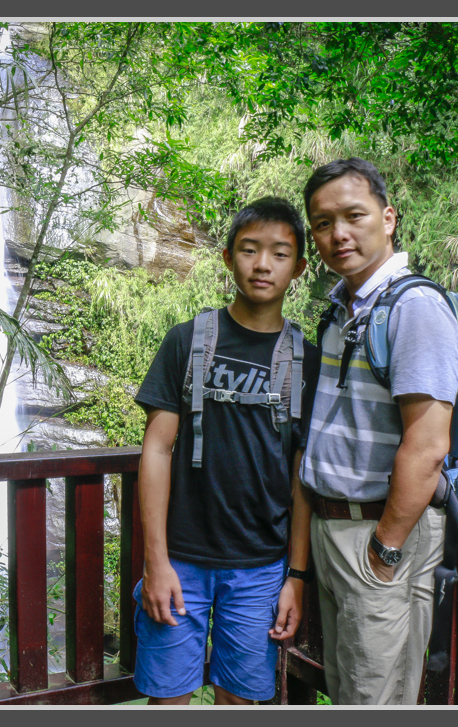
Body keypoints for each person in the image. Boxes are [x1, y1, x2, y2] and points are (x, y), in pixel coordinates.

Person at [132, 196, 320, 705]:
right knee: (168, 697)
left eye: (279, 254)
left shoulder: (309, 361)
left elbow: (303, 477)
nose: (262, 265)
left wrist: (295, 578)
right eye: (249, 250)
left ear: (299, 267)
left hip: (260, 566)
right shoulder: (187, 341)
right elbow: (156, 450)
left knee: (240, 699)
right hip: (180, 560)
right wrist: (156, 561)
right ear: (227, 257)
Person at [297, 158, 458, 705]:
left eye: (353, 215)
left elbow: (428, 445)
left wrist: (385, 550)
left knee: (375, 697)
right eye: (322, 223)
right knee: (349, 689)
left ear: (388, 219)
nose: (338, 233)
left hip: (378, 533)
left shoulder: (413, 307)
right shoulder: (342, 309)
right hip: (332, 528)